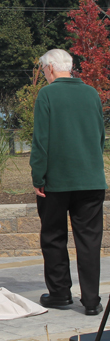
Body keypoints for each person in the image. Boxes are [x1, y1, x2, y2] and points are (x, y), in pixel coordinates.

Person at [30, 49, 107, 316]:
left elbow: (41, 141)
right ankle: (91, 300)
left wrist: (38, 177)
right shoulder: (92, 94)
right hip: (91, 180)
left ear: (49, 69)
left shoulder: (47, 95)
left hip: (56, 183)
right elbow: (100, 136)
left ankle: (60, 294)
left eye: (43, 71)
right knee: (89, 241)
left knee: (53, 237)